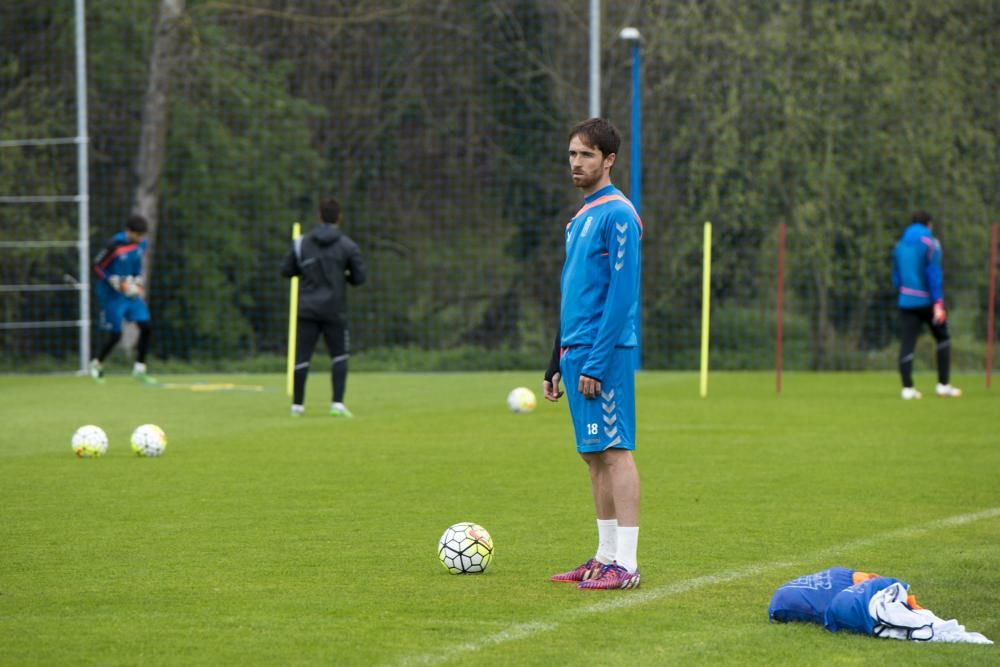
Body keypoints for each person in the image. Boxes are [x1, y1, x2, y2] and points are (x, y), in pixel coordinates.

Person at [544, 118, 643, 590]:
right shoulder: (581, 217)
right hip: (575, 350)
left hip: (605, 353)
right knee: (594, 456)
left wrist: (598, 361)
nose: (576, 163)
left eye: (585, 155)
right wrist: (554, 359)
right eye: (571, 155)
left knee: (617, 452)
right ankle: (604, 557)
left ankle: (626, 564)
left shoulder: (618, 214)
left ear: (608, 160)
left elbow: (621, 296)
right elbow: (574, 293)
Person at [281, 197, 366, 417]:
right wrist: (343, 275)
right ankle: (337, 404)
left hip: (307, 308)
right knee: (339, 356)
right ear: (339, 217)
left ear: (319, 216)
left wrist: (305, 272)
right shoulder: (348, 245)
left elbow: (286, 270)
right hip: (334, 310)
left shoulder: (301, 243)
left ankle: (297, 406)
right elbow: (359, 278)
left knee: (302, 357)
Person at [891, 210, 961, 400]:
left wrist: (903, 291)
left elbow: (896, 276)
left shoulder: (900, 245)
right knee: (943, 338)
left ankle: (907, 389)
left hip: (906, 301)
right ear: (928, 224)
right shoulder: (931, 244)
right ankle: (943, 385)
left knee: (907, 344)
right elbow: (934, 274)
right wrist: (938, 302)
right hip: (928, 302)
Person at [90, 213, 155, 384]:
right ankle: (96, 364)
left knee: (146, 326)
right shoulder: (114, 245)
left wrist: (138, 282)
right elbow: (96, 266)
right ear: (129, 232)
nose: (140, 239)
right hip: (112, 295)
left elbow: (137, 265)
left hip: (129, 293)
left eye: (142, 235)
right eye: (138, 235)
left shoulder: (141, 244)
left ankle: (139, 369)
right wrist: (112, 280)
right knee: (115, 335)